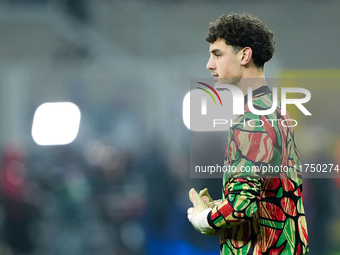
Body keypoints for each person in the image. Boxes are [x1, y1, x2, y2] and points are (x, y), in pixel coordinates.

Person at [187, 13, 309, 254]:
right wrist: (223, 203)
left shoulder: (250, 120)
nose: (209, 65)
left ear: (244, 55)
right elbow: (271, 195)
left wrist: (204, 218)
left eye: (217, 54)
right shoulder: (277, 112)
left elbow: (242, 206)